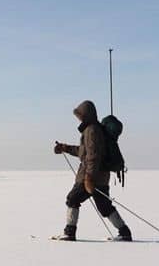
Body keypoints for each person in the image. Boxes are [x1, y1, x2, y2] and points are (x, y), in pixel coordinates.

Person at [53, 100, 132, 241]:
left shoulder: (92, 130)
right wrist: (65, 148)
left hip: (90, 177)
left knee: (72, 199)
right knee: (104, 206)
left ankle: (69, 232)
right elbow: (83, 151)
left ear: (86, 115)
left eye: (80, 115)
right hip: (99, 177)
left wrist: (89, 178)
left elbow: (93, 156)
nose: (78, 118)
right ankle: (124, 232)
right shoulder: (91, 129)